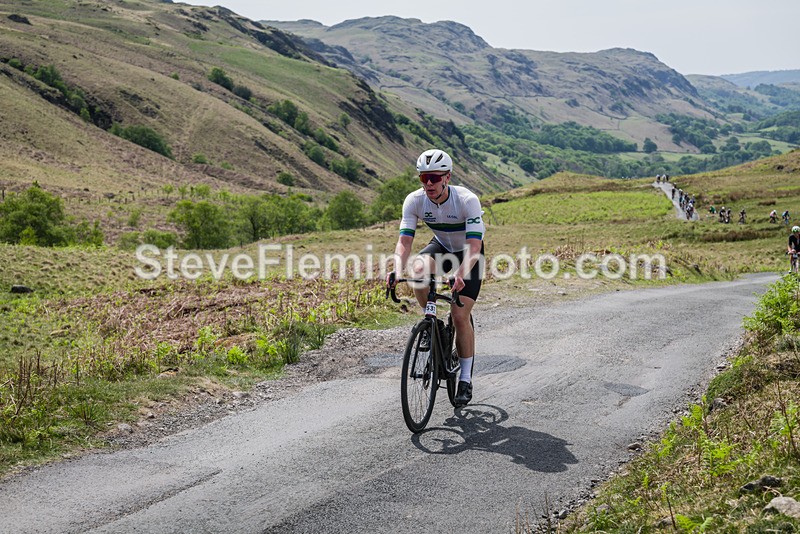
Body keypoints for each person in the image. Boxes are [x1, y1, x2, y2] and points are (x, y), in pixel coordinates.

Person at [387, 149, 485, 406]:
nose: (428, 183)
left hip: (468, 254)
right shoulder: (414, 201)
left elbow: (475, 247)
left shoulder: (467, 200)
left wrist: (460, 274)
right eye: (424, 178)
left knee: (460, 316)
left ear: (447, 177)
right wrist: (397, 269)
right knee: (417, 269)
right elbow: (404, 242)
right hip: (441, 245)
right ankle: (431, 322)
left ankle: (465, 379)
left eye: (434, 178)